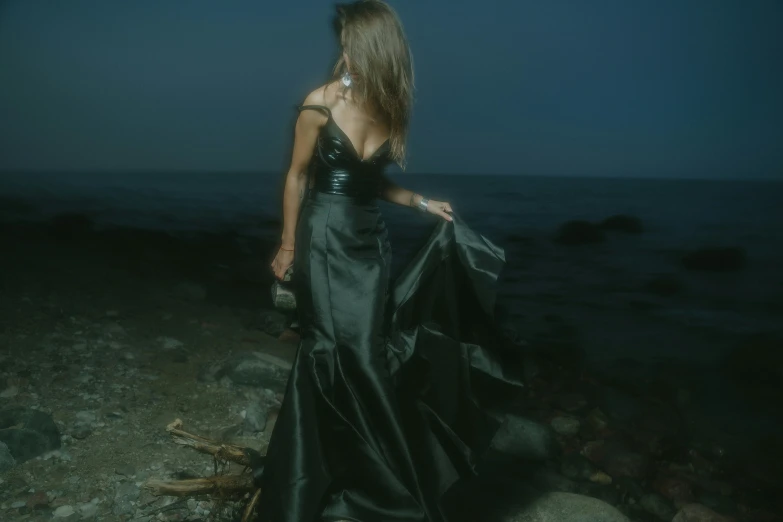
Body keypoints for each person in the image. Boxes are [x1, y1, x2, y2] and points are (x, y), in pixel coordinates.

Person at [258, 2, 523, 521]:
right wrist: (288, 245)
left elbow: (370, 183)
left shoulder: (388, 104)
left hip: (370, 242)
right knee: (338, 351)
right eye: (343, 42)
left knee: (367, 353)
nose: (343, 51)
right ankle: (358, 485)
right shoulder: (320, 103)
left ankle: (358, 474)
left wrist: (422, 203)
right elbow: (297, 176)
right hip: (324, 236)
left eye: (352, 41)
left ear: (373, 47)